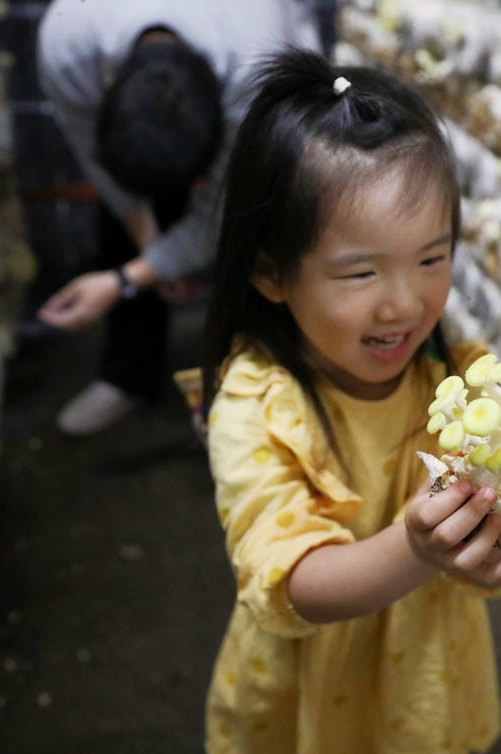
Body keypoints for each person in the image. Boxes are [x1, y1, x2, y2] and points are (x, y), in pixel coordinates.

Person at [200, 50, 501, 754]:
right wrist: (418, 547)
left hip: (424, 663)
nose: (405, 304)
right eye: (359, 272)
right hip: (313, 668)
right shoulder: (258, 403)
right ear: (272, 273)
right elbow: (290, 579)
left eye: (432, 259)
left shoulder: (461, 379)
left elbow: (488, 537)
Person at [34, 0, 319, 435]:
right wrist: (150, 252)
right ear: (106, 84)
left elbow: (227, 209)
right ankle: (127, 376)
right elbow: (99, 165)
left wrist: (126, 280)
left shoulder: (257, 69)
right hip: (177, 69)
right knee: (122, 218)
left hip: (266, 46)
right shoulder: (67, 42)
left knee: (263, 232)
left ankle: (256, 386)